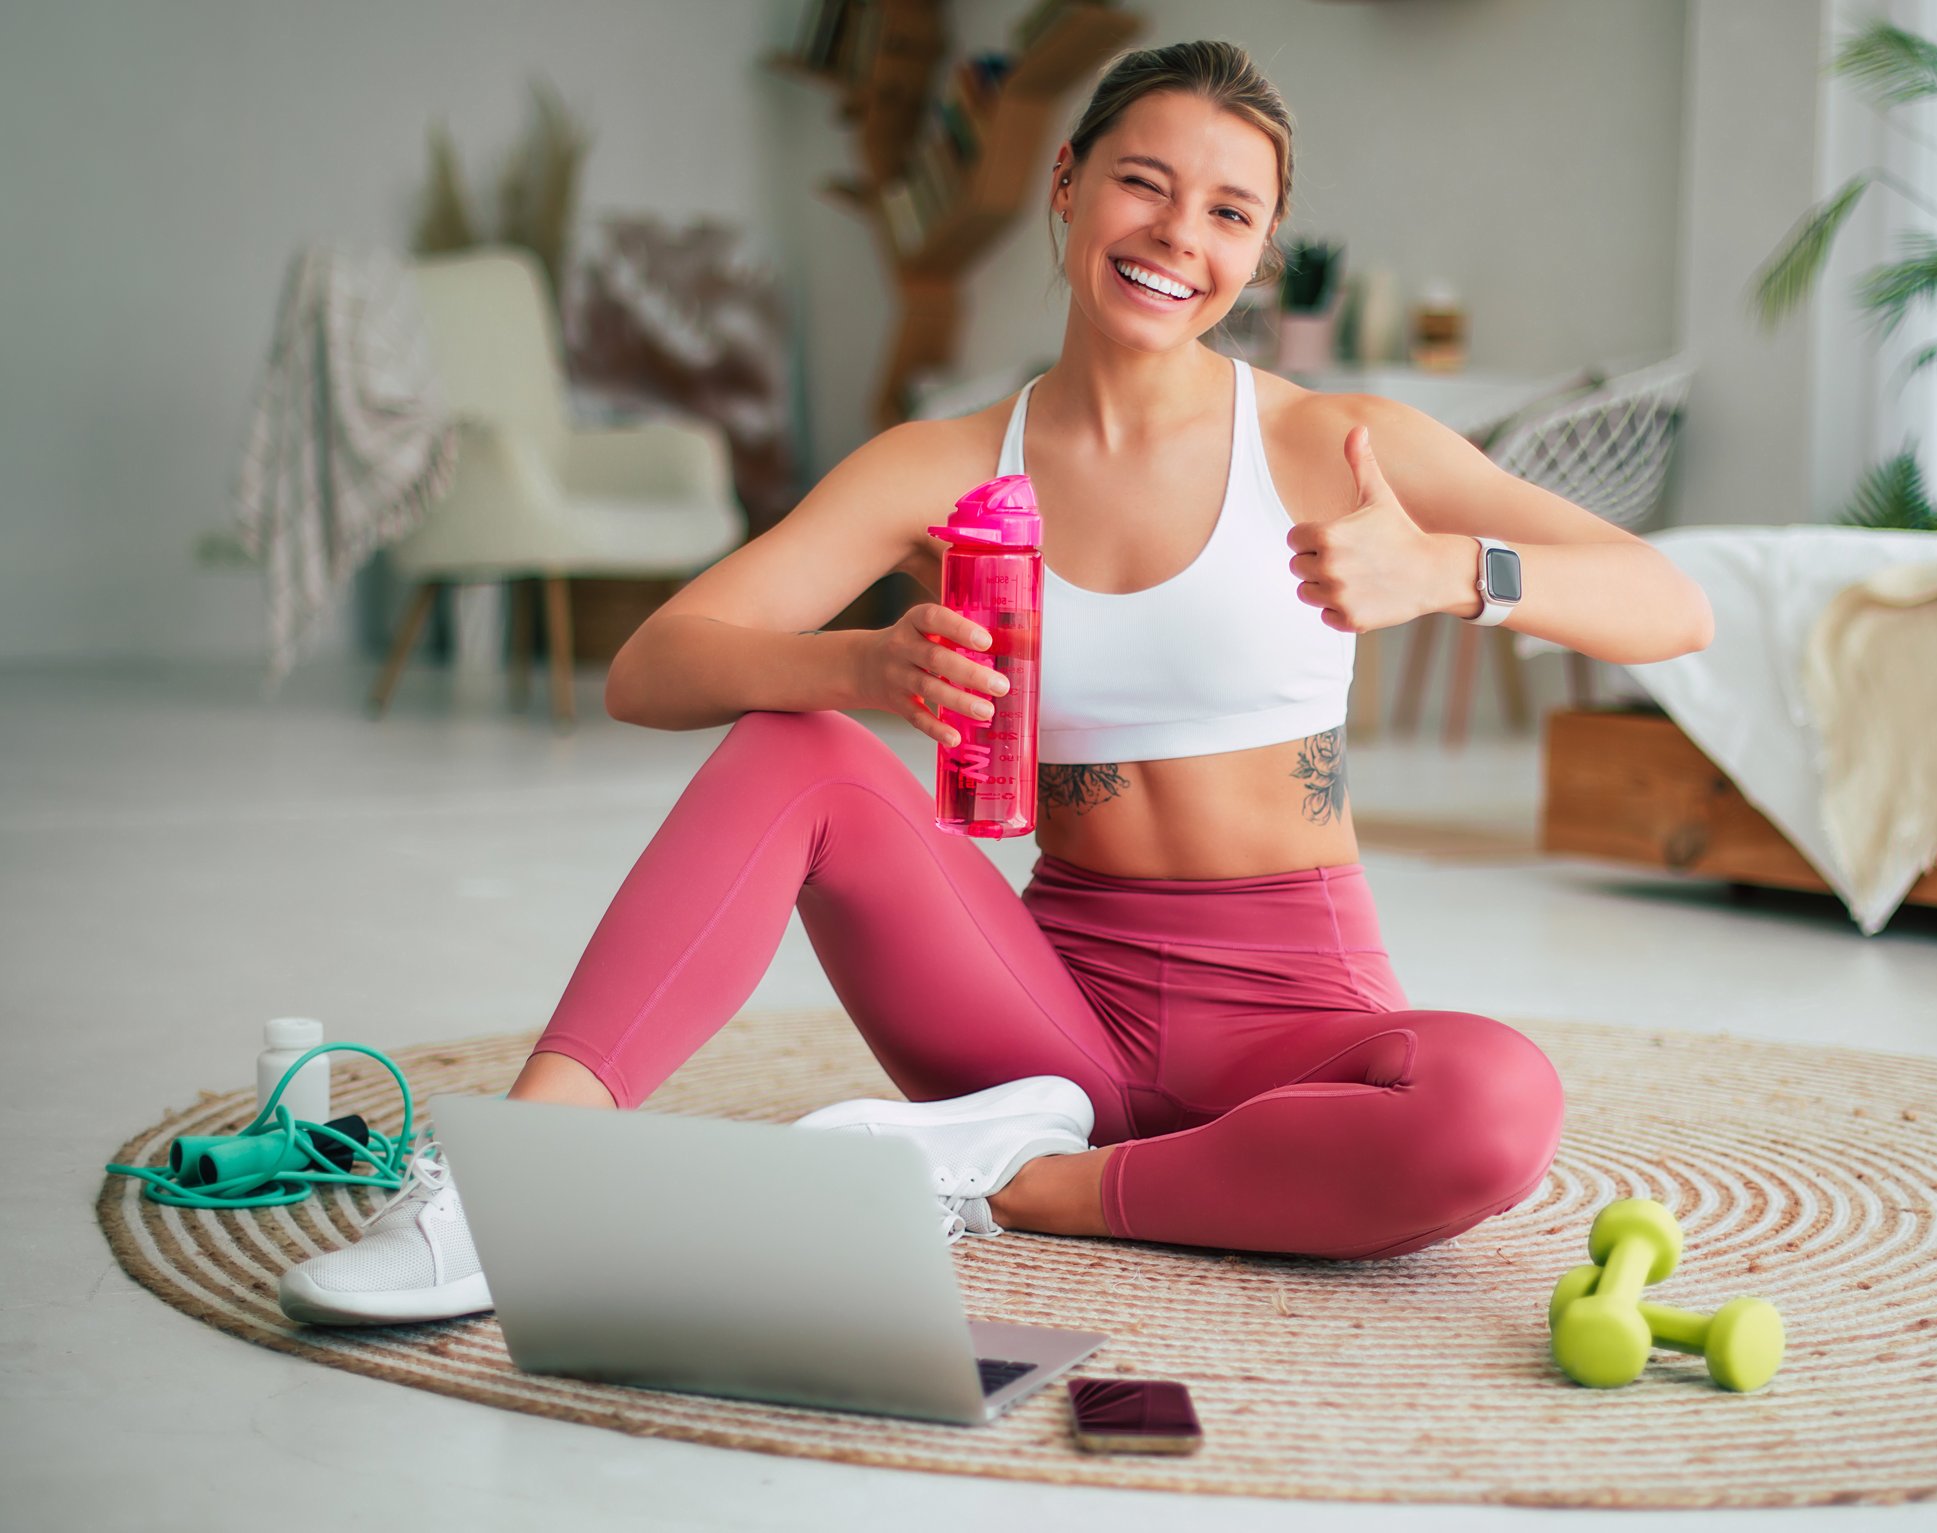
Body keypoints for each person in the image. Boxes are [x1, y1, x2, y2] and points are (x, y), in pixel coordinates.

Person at [279, 39, 1712, 1328]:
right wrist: (859, 660)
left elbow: (1674, 605)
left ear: (1264, 252)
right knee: (797, 745)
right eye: (1144, 184)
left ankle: (1018, 1185)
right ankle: (513, 1181)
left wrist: (1461, 573)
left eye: (1230, 212)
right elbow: (655, 666)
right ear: (1069, 187)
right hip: (1040, 1010)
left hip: (1296, 1010)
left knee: (1496, 1106)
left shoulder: (1335, 441)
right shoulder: (942, 462)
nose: (1178, 236)